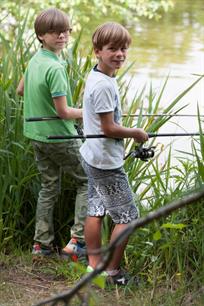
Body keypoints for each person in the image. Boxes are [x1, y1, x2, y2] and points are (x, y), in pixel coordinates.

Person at [79, 22, 149, 285]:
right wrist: (136, 133)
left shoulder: (96, 75)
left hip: (91, 155)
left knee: (96, 209)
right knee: (128, 217)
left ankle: (94, 266)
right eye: (113, 49)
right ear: (97, 51)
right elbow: (109, 128)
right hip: (106, 163)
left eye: (123, 48)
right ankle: (112, 272)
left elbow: (101, 120)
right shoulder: (105, 86)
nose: (120, 54)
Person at [17, 8, 87, 261]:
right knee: (87, 180)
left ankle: (41, 246)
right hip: (60, 137)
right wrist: (90, 112)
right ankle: (78, 242)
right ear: (41, 36)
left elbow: (21, 90)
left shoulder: (37, 60)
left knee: (49, 186)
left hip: (36, 135)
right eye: (54, 32)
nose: (62, 35)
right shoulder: (55, 69)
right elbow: (64, 112)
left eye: (66, 30)